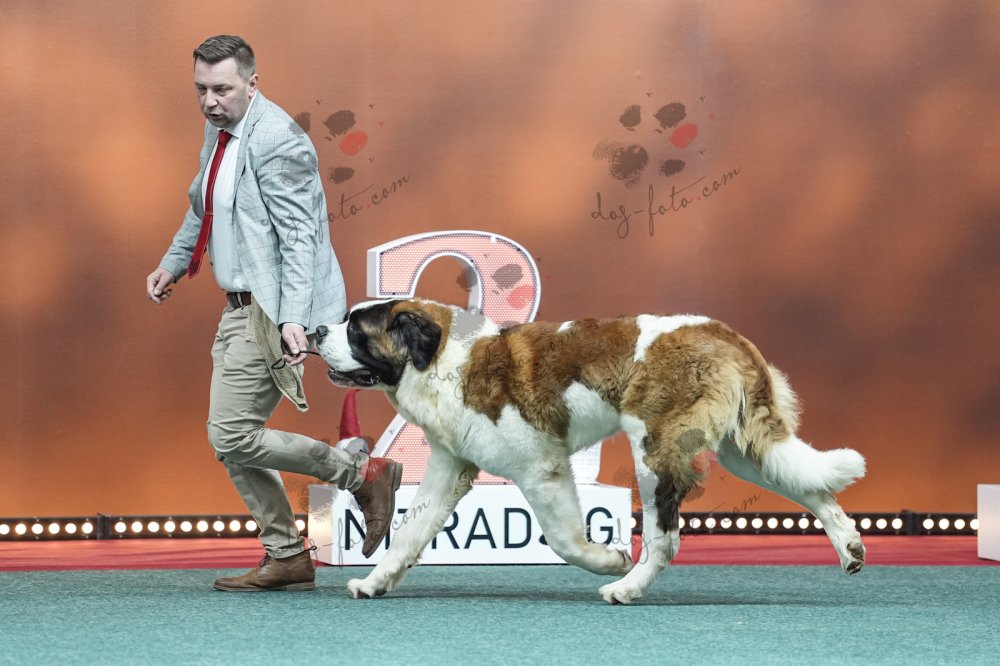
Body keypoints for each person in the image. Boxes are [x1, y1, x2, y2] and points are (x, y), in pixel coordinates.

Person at [145, 35, 401, 592]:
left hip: (272, 307)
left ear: (252, 83)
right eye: (201, 90)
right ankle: (286, 554)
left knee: (231, 435)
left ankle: (363, 475)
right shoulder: (219, 131)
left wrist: (292, 319)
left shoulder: (279, 141)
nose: (210, 101)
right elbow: (204, 206)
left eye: (222, 89)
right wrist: (173, 262)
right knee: (231, 436)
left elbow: (300, 238)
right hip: (239, 304)